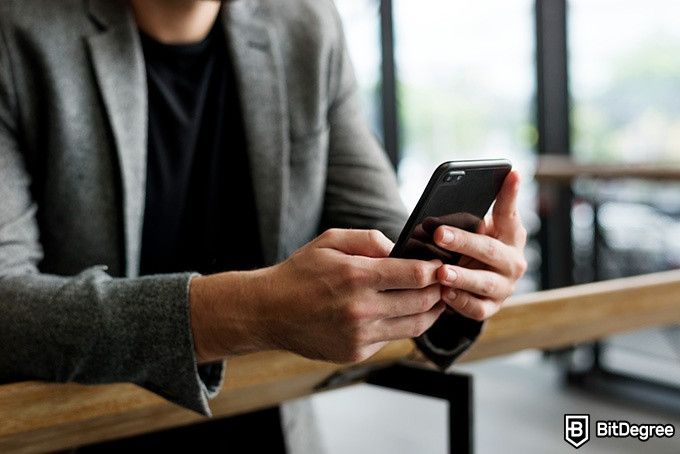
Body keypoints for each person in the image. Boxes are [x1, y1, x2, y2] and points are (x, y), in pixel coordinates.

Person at [0, 0, 527, 450]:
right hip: (73, 431)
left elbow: (384, 236)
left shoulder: (304, 24)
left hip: (273, 430)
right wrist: (252, 312)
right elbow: (7, 304)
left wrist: (458, 270)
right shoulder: (18, 31)